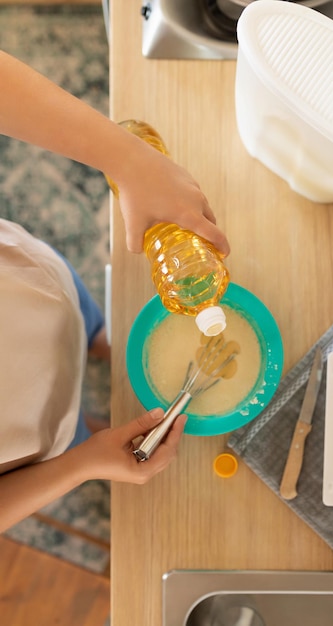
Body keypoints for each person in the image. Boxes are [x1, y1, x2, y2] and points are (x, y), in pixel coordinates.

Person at [0, 50, 230, 533]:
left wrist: (129, 157)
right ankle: (87, 415)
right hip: (31, 439)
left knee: (78, 315)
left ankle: (99, 342)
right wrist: (82, 462)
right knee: (73, 428)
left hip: (31, 284)